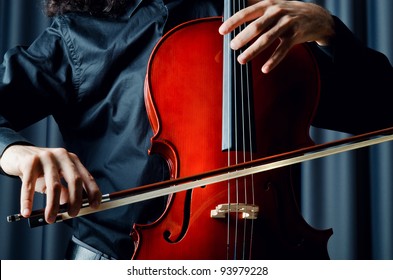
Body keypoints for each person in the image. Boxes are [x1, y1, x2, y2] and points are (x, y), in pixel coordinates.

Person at [0, 0, 392, 259]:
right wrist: (17, 151)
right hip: (115, 256)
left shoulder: (259, 30)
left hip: (269, 249)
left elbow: (379, 111)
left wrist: (331, 32)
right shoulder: (81, 34)